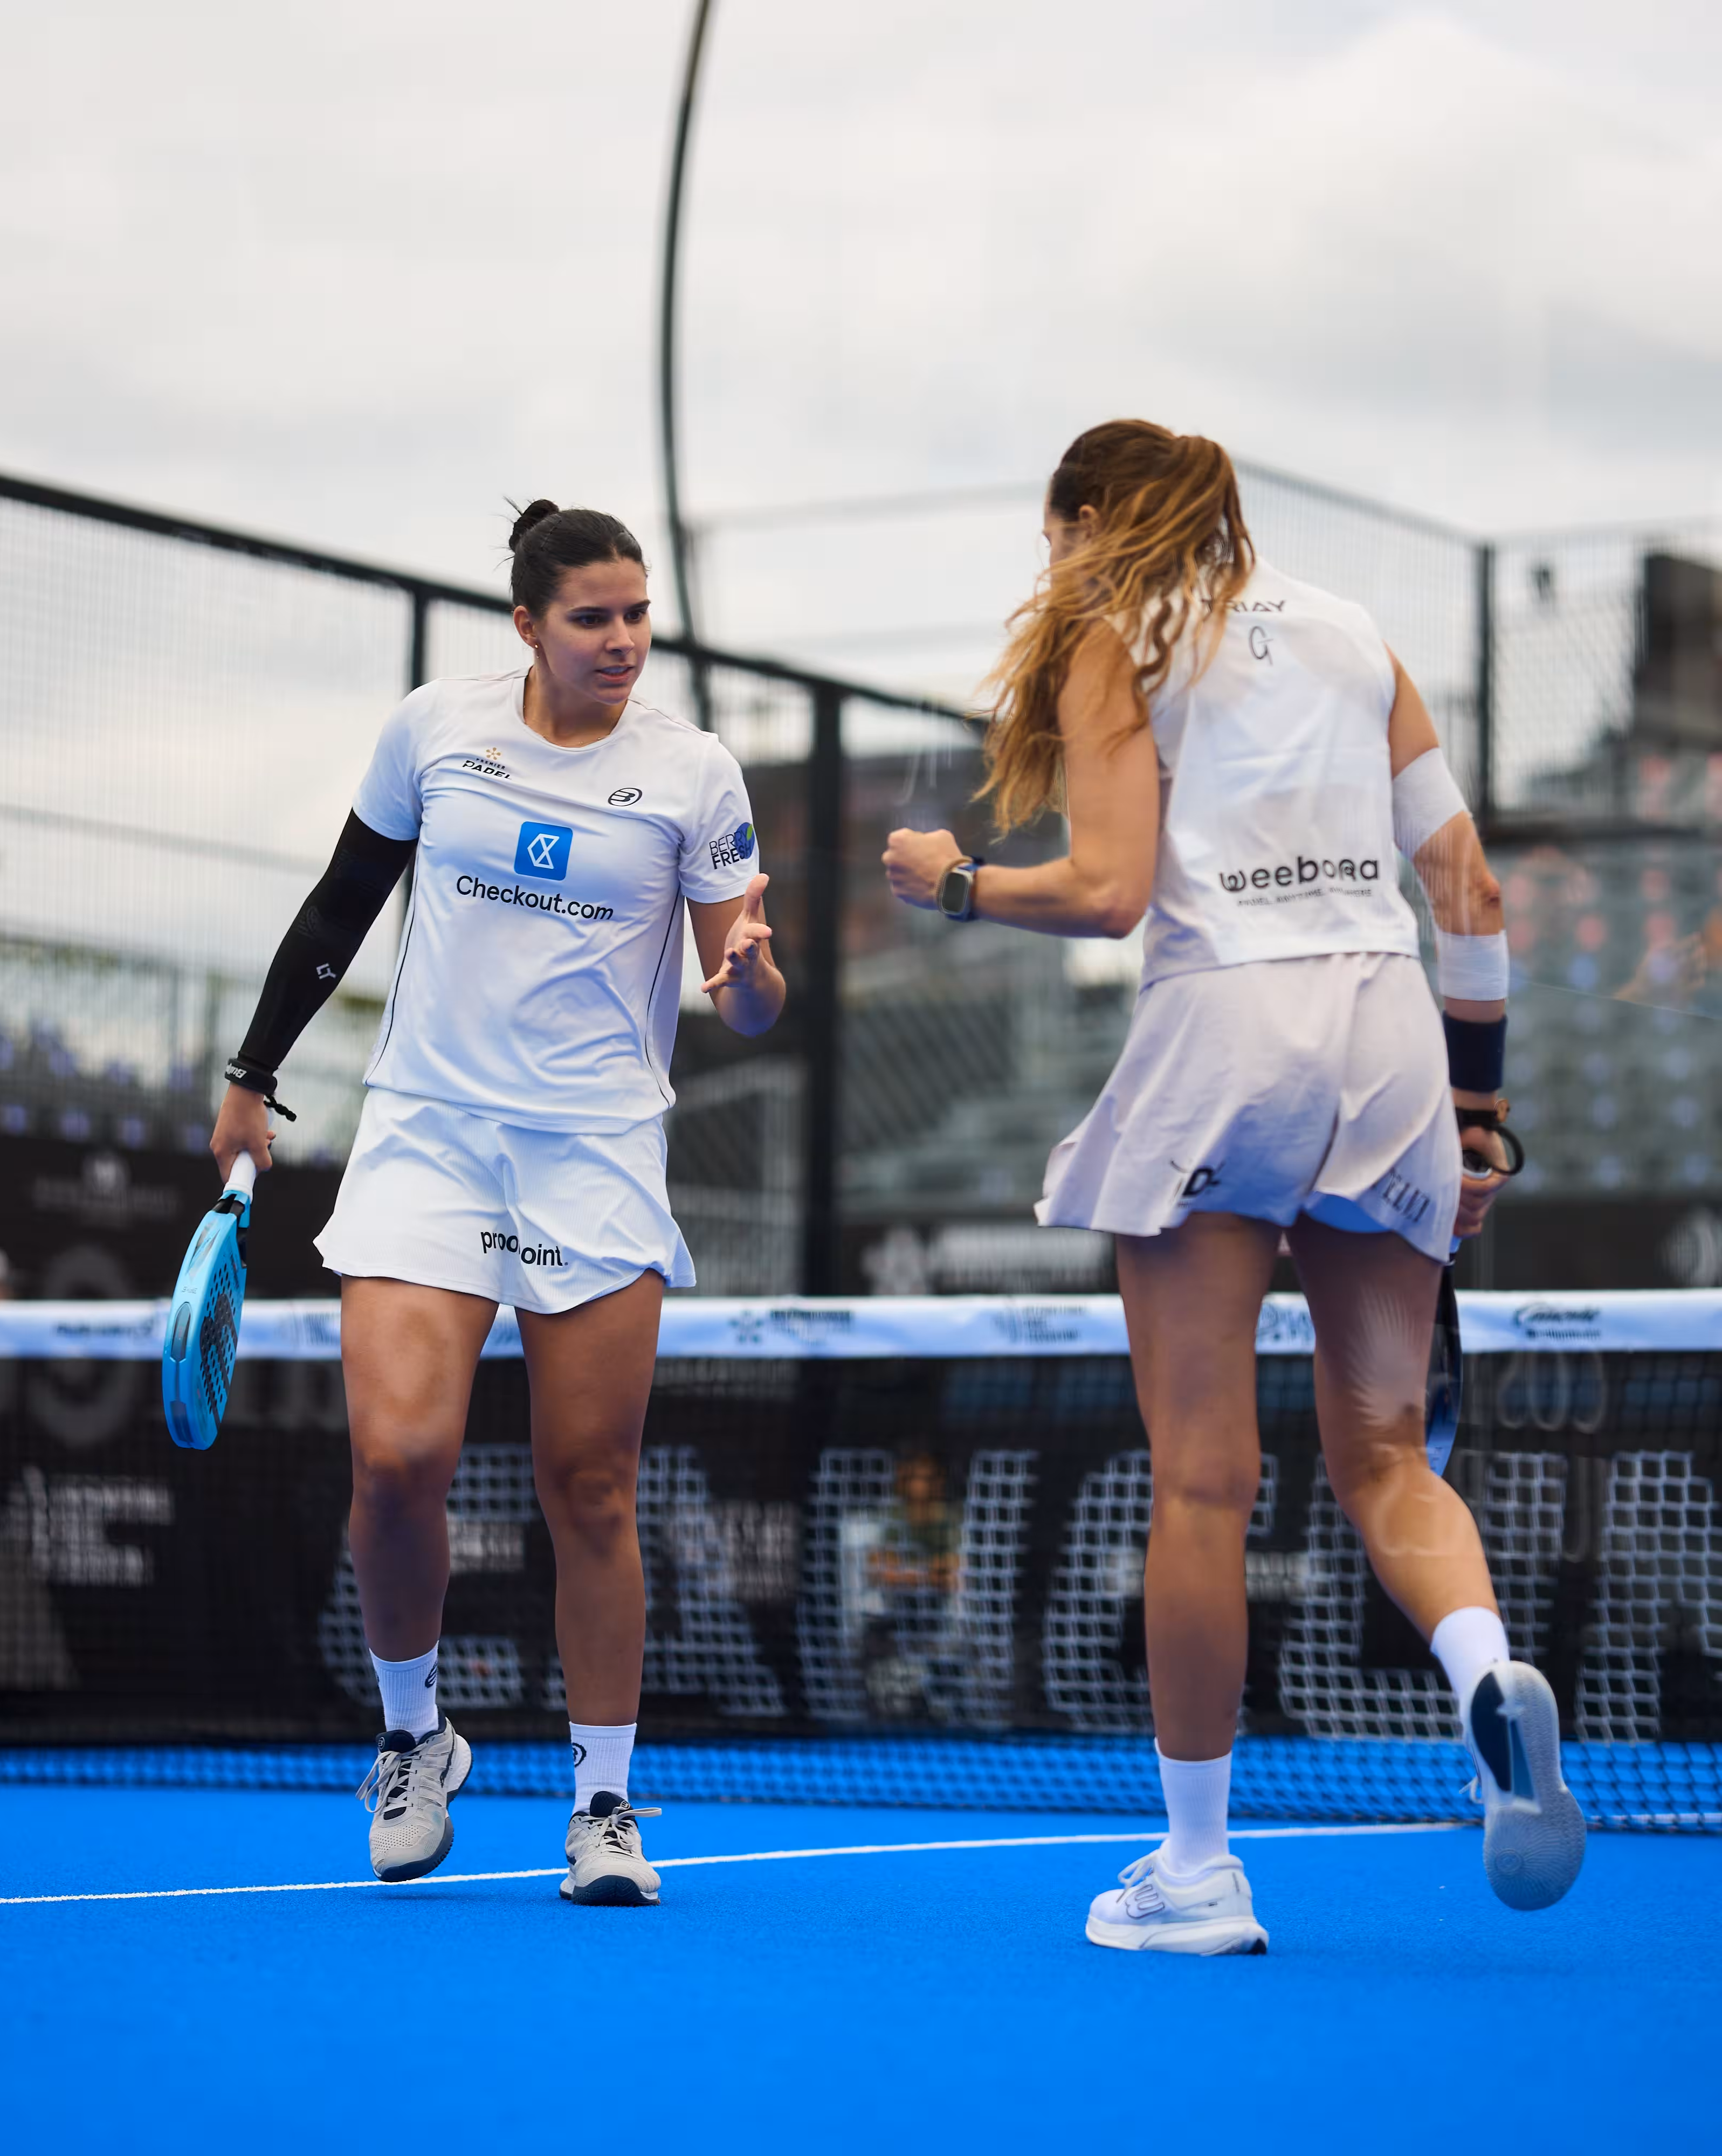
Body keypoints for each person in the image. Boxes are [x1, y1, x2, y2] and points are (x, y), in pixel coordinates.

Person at [883, 420, 1584, 1955]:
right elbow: (1468, 891)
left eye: (1051, 531)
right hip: (1392, 1033)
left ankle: (1197, 1874)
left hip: (1230, 1032)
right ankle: (1484, 1681)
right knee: (1389, 1457)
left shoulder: (1110, 635)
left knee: (1204, 1480)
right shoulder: (1354, 637)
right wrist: (1478, 1119)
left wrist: (952, 882)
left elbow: (1110, 891)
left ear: (1082, 520)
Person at [211, 501, 784, 1903]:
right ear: (528, 624)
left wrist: (753, 976)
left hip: (597, 1156)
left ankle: (602, 1805)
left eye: (640, 615)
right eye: (593, 618)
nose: (624, 642)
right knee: (401, 1459)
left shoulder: (696, 773)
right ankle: (415, 1736)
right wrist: (252, 1076)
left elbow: (750, 997)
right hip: (430, 1139)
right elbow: (342, 904)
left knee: (589, 1485)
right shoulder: (433, 731)